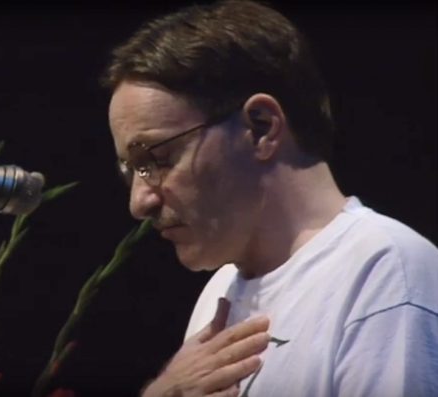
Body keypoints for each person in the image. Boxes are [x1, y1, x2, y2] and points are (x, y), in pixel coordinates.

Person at [99, 0, 438, 396]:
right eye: (131, 170)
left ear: (260, 128)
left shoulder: (386, 276)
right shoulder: (221, 289)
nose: (140, 203)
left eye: (156, 159)